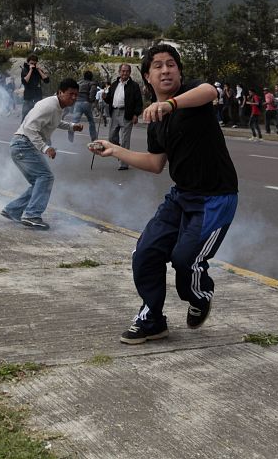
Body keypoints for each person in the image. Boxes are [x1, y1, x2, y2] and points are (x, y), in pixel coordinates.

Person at [89, 44, 238, 344]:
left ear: (180, 72)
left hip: (215, 198)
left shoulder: (192, 97)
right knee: (145, 253)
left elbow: (211, 91)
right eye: (157, 66)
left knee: (185, 261)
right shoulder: (155, 119)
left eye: (171, 64)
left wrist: (170, 104)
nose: (166, 70)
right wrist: (116, 149)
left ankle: (199, 295)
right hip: (181, 196)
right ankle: (153, 319)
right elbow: (156, 163)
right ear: (147, 77)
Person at [1, 78, 82, 230]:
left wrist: (72, 126)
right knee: (45, 177)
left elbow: (55, 122)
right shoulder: (49, 106)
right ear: (60, 92)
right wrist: (45, 148)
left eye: (76, 95)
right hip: (23, 145)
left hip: (23, 145)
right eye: (71, 94)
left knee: (39, 182)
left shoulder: (57, 106)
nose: (74, 98)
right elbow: (30, 128)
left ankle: (13, 210)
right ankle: (32, 215)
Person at [105, 63, 143, 171]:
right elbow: (109, 99)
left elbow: (139, 102)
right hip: (114, 112)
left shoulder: (134, 86)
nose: (124, 73)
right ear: (119, 72)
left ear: (130, 73)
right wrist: (104, 97)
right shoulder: (114, 84)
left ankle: (124, 164)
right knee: (111, 138)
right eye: (123, 71)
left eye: (127, 71)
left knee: (125, 139)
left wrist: (136, 114)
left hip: (127, 113)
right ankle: (121, 152)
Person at [71, 70, 99, 141]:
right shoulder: (92, 83)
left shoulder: (78, 83)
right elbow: (93, 92)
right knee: (91, 121)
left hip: (77, 103)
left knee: (75, 120)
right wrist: (91, 100)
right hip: (86, 102)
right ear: (91, 77)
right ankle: (93, 137)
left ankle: (71, 131)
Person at [20, 54, 50, 120]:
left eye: (34, 63)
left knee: (36, 118)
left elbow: (46, 80)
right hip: (28, 97)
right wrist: (30, 70)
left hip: (37, 97)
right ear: (28, 62)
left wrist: (39, 70)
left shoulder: (37, 70)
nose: (33, 65)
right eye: (31, 63)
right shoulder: (25, 69)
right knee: (25, 117)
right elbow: (25, 81)